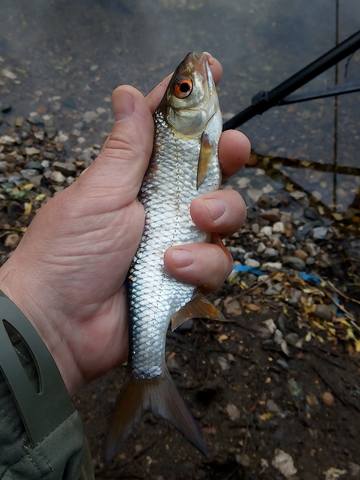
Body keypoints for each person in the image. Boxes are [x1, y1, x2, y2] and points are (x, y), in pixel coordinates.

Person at [0, 55, 250, 479]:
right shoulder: (187, 135)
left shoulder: (195, 134)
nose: (193, 85)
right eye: (185, 90)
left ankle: (148, 378)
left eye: (184, 89)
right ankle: (149, 380)